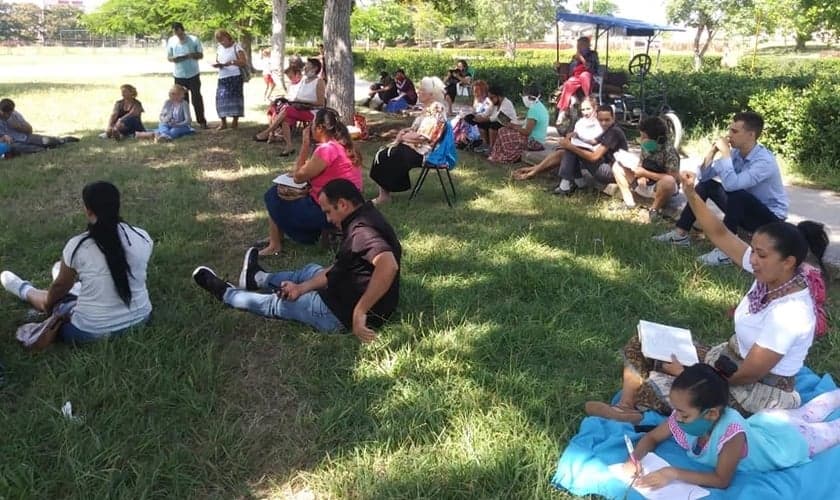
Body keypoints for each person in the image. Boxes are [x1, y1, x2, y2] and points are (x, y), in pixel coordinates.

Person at [585, 169, 829, 423]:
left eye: (761, 255)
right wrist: (691, 193)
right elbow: (720, 234)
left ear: (788, 262)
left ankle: (639, 416)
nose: (753, 260)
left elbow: (748, 375)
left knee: (667, 389)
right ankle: (625, 407)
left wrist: (687, 373)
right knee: (643, 342)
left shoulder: (790, 313)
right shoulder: (772, 275)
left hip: (754, 391)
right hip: (725, 361)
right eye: (754, 252)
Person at [192, 179, 401, 343]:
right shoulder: (366, 214)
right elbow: (343, 267)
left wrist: (360, 311)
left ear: (343, 204)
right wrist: (301, 288)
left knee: (278, 304)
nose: (328, 219)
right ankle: (257, 278)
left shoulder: (361, 232)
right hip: (346, 289)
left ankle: (227, 294)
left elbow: (388, 265)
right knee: (310, 271)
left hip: (338, 312)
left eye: (328, 212)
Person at [619, 363, 840, 490]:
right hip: (769, 423)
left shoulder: (731, 434)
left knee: (832, 427)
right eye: (676, 410)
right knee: (811, 409)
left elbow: (722, 479)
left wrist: (673, 473)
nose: (676, 417)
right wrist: (634, 459)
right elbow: (652, 437)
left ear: (711, 413)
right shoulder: (685, 417)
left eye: (683, 414)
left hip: (790, 443)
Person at [0, 181, 153, 345]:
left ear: (88, 210)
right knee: (74, 278)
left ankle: (23, 289)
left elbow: (60, 287)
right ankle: (72, 286)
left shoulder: (78, 246)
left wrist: (48, 306)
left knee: (58, 298)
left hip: (89, 331)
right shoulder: (142, 237)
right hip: (141, 318)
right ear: (117, 206)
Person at [654, 112, 788, 266]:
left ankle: (727, 252)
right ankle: (680, 234)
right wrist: (712, 152)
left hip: (770, 219)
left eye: (735, 131)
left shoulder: (764, 161)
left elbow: (732, 185)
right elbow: (704, 176)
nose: (729, 135)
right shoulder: (736, 153)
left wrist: (725, 154)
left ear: (751, 135)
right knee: (706, 186)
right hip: (746, 210)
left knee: (737, 194)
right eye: (730, 130)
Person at [259, 108, 363, 256]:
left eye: (311, 125)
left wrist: (305, 145)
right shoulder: (342, 145)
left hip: (331, 211)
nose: (309, 128)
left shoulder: (326, 150)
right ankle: (277, 237)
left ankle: (275, 244)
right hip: (350, 206)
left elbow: (298, 177)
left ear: (319, 128)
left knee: (273, 194)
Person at [369, 77, 449, 206]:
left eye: (422, 90)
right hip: (415, 146)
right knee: (384, 153)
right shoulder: (427, 108)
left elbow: (424, 136)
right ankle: (384, 195)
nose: (418, 92)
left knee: (391, 155)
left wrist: (402, 138)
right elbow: (416, 129)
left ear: (431, 94)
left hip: (425, 151)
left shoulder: (436, 108)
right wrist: (404, 132)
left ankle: (386, 194)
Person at [512, 96, 602, 181]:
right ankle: (532, 171)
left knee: (562, 153)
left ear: (595, 108)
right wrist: (570, 137)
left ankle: (531, 172)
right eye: (583, 109)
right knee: (561, 152)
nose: (585, 112)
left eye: (588, 109)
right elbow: (573, 139)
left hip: (590, 156)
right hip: (576, 152)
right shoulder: (581, 122)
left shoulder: (601, 123)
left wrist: (577, 140)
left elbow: (596, 143)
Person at [610, 116, 681, 217]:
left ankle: (654, 210)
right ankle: (629, 202)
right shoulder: (646, 146)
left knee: (669, 181)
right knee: (617, 166)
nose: (641, 139)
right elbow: (641, 163)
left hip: (660, 189)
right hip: (643, 183)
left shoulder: (670, 152)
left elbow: (673, 178)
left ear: (657, 139)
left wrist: (645, 173)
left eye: (644, 137)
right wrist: (641, 175)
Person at [253, 58, 325, 156]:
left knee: (286, 110)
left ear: (315, 68)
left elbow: (320, 103)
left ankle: (268, 132)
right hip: (299, 108)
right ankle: (289, 146)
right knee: (285, 117)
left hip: (312, 111)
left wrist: (301, 101)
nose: (305, 68)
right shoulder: (304, 80)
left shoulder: (319, 82)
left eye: (307, 66)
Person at [553, 104, 627, 196]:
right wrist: (576, 136)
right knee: (573, 147)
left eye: (607, 120)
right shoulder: (609, 129)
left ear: (613, 118)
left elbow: (594, 157)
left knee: (572, 148)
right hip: (609, 168)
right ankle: (577, 183)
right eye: (600, 120)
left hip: (613, 172)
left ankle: (566, 186)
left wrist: (570, 146)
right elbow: (593, 141)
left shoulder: (614, 132)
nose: (603, 123)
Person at [487, 84, 549, 164]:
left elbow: (527, 132)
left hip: (534, 142)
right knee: (504, 130)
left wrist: (513, 126)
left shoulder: (533, 110)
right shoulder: (539, 106)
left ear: (528, 97)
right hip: (537, 141)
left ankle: (508, 156)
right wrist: (514, 126)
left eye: (523, 96)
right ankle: (497, 154)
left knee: (503, 132)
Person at [0, 98, 78, 155]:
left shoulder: (14, 115)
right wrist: (3, 137)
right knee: (17, 147)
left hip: (25, 137)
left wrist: (18, 126)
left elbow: (29, 130)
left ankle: (62, 140)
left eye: (10, 113)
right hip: (10, 144)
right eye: (4, 113)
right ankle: (44, 150)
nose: (7, 116)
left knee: (45, 140)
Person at [166, 22, 207, 129]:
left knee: (196, 98)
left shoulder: (194, 39)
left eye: (179, 33)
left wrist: (191, 55)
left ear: (182, 30)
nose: (178, 35)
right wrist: (175, 58)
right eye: (175, 33)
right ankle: (185, 123)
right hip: (179, 75)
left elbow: (200, 55)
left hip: (193, 74)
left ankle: (202, 121)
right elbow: (169, 57)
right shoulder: (171, 40)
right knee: (181, 100)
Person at [556, 36, 599, 123]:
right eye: (578, 45)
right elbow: (571, 70)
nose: (579, 47)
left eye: (581, 45)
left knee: (584, 75)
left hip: (588, 75)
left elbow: (590, 67)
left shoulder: (593, 54)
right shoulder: (575, 56)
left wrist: (582, 59)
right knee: (568, 84)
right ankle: (562, 111)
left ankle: (588, 98)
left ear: (587, 45)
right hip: (576, 77)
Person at [466, 85, 517, 154]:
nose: (490, 99)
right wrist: (477, 117)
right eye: (489, 98)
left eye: (491, 97)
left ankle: (492, 147)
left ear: (499, 96)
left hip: (509, 126)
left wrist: (483, 119)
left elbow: (497, 117)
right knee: (481, 123)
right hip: (499, 122)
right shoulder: (494, 104)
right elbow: (487, 113)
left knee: (494, 125)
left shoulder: (507, 104)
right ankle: (485, 144)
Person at [213, 29, 247, 131]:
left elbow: (243, 62)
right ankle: (223, 122)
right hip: (222, 76)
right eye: (219, 41)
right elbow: (218, 59)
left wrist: (232, 62)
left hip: (235, 76)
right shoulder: (219, 48)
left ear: (228, 37)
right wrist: (218, 64)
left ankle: (235, 121)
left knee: (235, 98)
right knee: (221, 99)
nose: (222, 43)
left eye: (223, 40)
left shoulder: (237, 47)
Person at [452, 79, 490, 149]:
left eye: (477, 90)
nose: (475, 92)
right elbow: (474, 112)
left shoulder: (487, 101)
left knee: (464, 121)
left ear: (483, 91)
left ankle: (465, 139)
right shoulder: (476, 100)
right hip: (475, 121)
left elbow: (486, 114)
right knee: (460, 119)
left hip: (482, 122)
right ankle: (459, 138)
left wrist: (475, 116)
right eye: (474, 90)